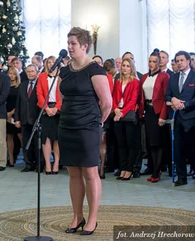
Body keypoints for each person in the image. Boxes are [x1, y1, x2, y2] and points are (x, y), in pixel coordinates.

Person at [59, 27, 112, 235]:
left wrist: (97, 123)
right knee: (73, 172)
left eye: (73, 43)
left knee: (90, 172)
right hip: (67, 125)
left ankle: (92, 218)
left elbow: (107, 103)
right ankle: (77, 216)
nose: (69, 47)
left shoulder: (95, 70)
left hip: (89, 127)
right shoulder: (64, 70)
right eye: (68, 43)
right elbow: (62, 98)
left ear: (84, 45)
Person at [165, 51, 195, 185]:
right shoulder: (173, 77)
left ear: (188, 61)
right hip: (176, 118)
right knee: (178, 148)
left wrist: (184, 105)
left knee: (192, 147)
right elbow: (167, 96)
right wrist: (173, 99)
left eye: (182, 60)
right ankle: (181, 177)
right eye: (177, 60)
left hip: (192, 118)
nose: (179, 63)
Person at [139, 51, 170, 183]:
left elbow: (165, 98)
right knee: (151, 143)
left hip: (158, 112)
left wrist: (162, 116)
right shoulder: (145, 76)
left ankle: (157, 170)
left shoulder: (164, 76)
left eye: (154, 61)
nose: (151, 64)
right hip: (148, 111)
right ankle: (154, 169)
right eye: (150, 61)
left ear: (159, 63)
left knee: (158, 143)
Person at [112, 58, 141, 181]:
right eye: (123, 65)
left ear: (131, 68)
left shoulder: (135, 82)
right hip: (118, 113)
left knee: (130, 143)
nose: (124, 68)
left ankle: (129, 169)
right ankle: (122, 168)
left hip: (128, 115)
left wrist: (121, 113)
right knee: (121, 144)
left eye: (127, 66)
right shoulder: (117, 81)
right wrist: (115, 110)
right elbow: (113, 97)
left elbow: (133, 101)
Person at [36, 56, 61, 174]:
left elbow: (64, 94)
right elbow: (39, 94)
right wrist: (46, 108)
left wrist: (57, 108)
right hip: (45, 109)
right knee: (46, 139)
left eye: (53, 62)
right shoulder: (42, 76)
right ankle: (47, 164)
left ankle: (56, 163)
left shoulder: (61, 77)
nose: (51, 64)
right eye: (49, 62)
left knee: (56, 138)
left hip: (58, 110)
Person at [15, 64, 41, 172]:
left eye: (32, 71)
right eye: (28, 72)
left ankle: (39, 164)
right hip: (24, 119)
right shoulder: (22, 85)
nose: (30, 74)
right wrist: (17, 118)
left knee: (37, 143)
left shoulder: (40, 85)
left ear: (36, 72)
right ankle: (28, 164)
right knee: (26, 143)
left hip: (36, 119)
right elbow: (18, 103)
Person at [6, 67, 22, 167]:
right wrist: (6, 114)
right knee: (9, 137)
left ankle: (28, 158)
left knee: (20, 136)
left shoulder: (19, 87)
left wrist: (12, 112)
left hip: (17, 114)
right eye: (10, 73)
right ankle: (11, 159)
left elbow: (20, 102)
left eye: (13, 74)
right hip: (6, 114)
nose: (11, 76)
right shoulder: (6, 86)